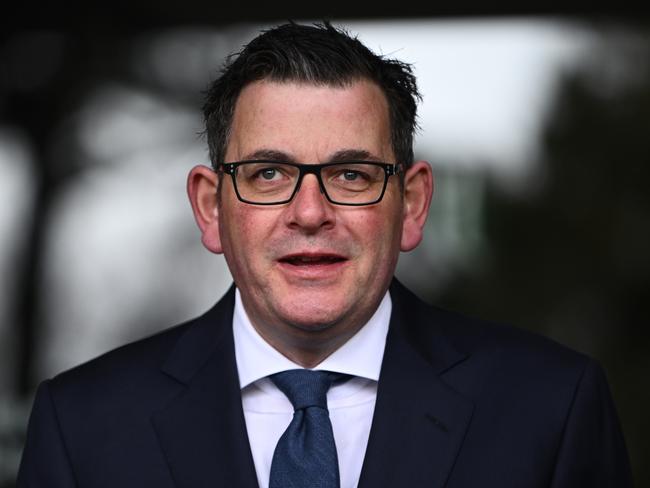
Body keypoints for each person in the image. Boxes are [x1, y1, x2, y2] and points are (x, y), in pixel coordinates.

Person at [17, 22, 632, 488]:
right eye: (267, 174)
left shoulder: (551, 408)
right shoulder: (84, 428)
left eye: (353, 176)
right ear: (211, 208)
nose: (310, 213)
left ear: (412, 204)